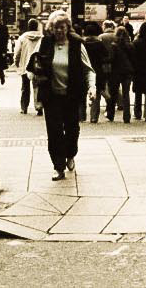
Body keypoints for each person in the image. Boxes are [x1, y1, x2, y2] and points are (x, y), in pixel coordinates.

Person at [32, 10, 95, 180]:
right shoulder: (44, 43)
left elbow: (89, 70)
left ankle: (70, 154)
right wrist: (35, 76)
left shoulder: (77, 45)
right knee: (54, 131)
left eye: (62, 27)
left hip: (71, 95)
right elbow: (33, 65)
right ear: (51, 28)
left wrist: (92, 88)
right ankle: (58, 166)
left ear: (68, 27)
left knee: (72, 128)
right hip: (51, 95)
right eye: (55, 27)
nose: (59, 30)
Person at [12, 19, 44, 115]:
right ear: (37, 27)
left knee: (25, 87)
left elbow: (17, 52)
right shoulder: (42, 37)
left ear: (28, 26)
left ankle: (24, 107)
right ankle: (39, 107)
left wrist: (16, 62)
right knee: (37, 87)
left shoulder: (22, 38)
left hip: (25, 65)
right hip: (38, 66)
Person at [110, 21, 135, 123]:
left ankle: (111, 115)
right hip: (127, 71)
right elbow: (133, 59)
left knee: (114, 93)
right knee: (126, 94)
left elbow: (112, 58)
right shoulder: (130, 45)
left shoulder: (114, 45)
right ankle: (127, 117)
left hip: (116, 71)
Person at [83, 22, 107, 123]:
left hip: (84, 70)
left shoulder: (83, 43)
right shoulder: (99, 43)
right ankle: (94, 117)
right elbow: (106, 55)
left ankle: (81, 115)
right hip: (97, 70)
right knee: (96, 93)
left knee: (82, 93)